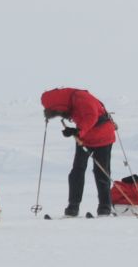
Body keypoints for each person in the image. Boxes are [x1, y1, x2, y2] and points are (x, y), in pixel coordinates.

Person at [40, 87, 117, 216]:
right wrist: (73, 130)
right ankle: (73, 207)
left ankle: (105, 207)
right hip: (85, 137)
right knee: (77, 171)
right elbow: (82, 118)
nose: (59, 113)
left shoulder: (81, 98)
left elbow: (91, 116)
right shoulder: (71, 101)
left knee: (101, 172)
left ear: (58, 104)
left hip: (103, 136)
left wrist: (78, 131)